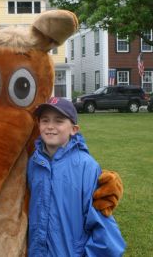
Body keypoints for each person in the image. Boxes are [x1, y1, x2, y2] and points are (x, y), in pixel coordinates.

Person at [27, 97, 126, 256]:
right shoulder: (33, 163)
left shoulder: (86, 166)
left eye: (59, 121)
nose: (50, 126)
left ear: (74, 129)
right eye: (45, 120)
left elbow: (105, 232)